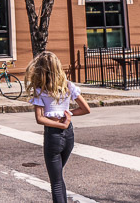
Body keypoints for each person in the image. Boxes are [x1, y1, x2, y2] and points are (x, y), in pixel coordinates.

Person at [25, 51, 91, 203]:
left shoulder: (39, 90)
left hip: (54, 136)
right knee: (59, 177)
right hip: (69, 135)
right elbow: (85, 109)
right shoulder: (68, 86)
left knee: (56, 181)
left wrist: (60, 123)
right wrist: (67, 116)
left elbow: (40, 119)